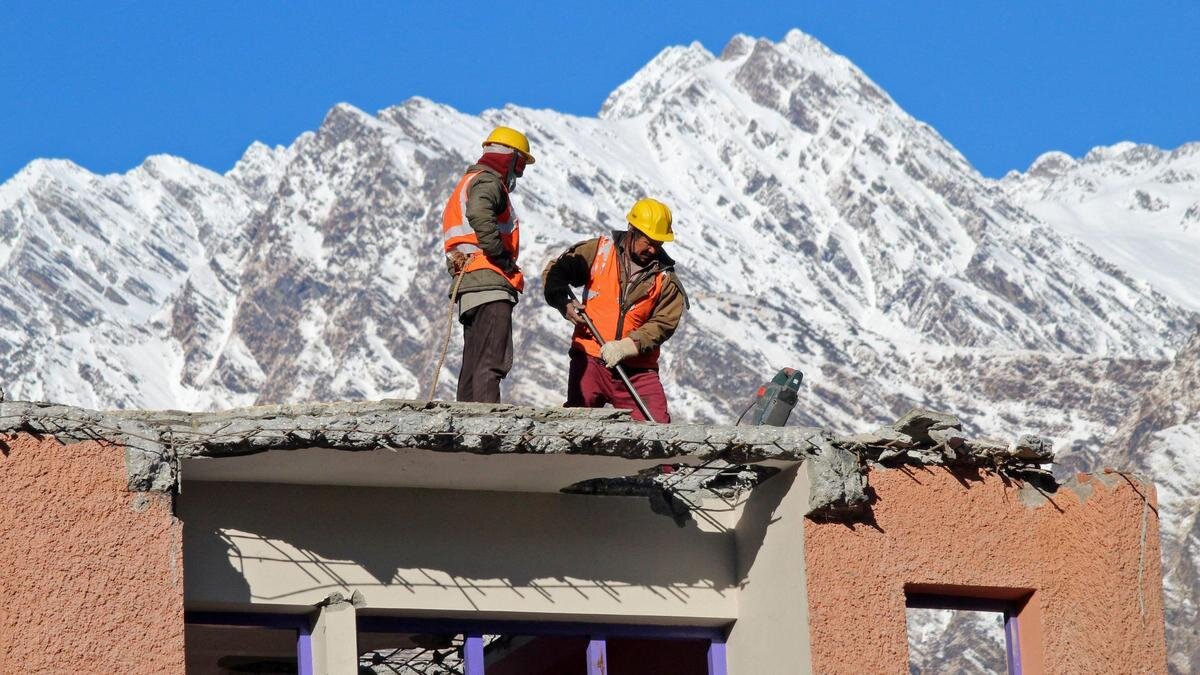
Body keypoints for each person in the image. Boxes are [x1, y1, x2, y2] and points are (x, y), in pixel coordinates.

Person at [542, 197, 687, 422]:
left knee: (658, 431)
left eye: (658, 244)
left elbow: (663, 324)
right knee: (577, 426)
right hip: (590, 358)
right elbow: (556, 273)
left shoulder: (666, 279)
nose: (652, 249)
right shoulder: (599, 252)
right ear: (632, 230)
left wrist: (629, 346)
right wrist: (563, 303)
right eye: (648, 241)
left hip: (638, 370)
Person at [441, 126, 534, 403]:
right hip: (490, 281)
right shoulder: (488, 183)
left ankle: (464, 426)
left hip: (469, 284)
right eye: (520, 167)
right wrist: (502, 259)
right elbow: (480, 213)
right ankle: (485, 429)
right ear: (512, 159)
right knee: (492, 359)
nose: (518, 174)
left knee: (473, 363)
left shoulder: (467, 182)